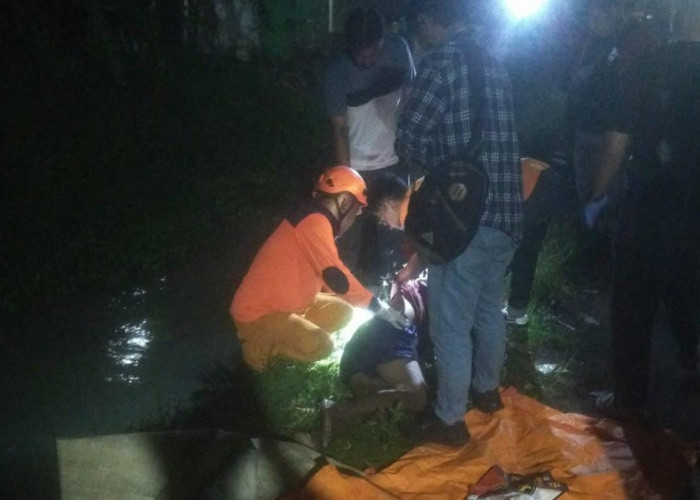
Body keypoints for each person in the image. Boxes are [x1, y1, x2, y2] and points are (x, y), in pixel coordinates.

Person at [395, 0, 523, 446]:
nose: (419, 31)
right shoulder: (495, 64)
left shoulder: (441, 64)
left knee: (449, 323)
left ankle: (449, 420)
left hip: (463, 222)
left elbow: (409, 134)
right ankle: (487, 391)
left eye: (420, 22)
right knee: (489, 308)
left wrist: (434, 172)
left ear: (432, 20)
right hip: (507, 214)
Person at [585, 0, 700, 419]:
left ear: (676, 21)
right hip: (694, 211)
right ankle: (692, 367)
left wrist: (597, 196)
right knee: (688, 292)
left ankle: (630, 397)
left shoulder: (650, 67)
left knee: (633, 305)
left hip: (649, 208)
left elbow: (617, 141)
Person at [230, 166, 409, 372]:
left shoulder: (316, 219)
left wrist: (358, 299)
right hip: (259, 312)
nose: (356, 217)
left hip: (291, 305)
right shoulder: (314, 223)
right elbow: (336, 276)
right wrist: (378, 308)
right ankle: (256, 347)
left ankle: (292, 329)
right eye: (357, 210)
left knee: (344, 313)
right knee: (322, 346)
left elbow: (325, 273)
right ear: (344, 203)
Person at [318, 278, 429, 447]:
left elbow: (399, 281)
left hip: (359, 351)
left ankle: (365, 396)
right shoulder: (450, 290)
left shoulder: (421, 282)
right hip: (395, 329)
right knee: (417, 397)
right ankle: (340, 411)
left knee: (388, 401)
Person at [323, 8, 415, 184]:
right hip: (358, 165)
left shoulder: (398, 50)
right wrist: (349, 180)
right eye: (361, 56)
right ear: (350, 47)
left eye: (374, 53)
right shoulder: (337, 71)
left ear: (382, 41)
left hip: (395, 160)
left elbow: (410, 97)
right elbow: (340, 129)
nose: (368, 61)